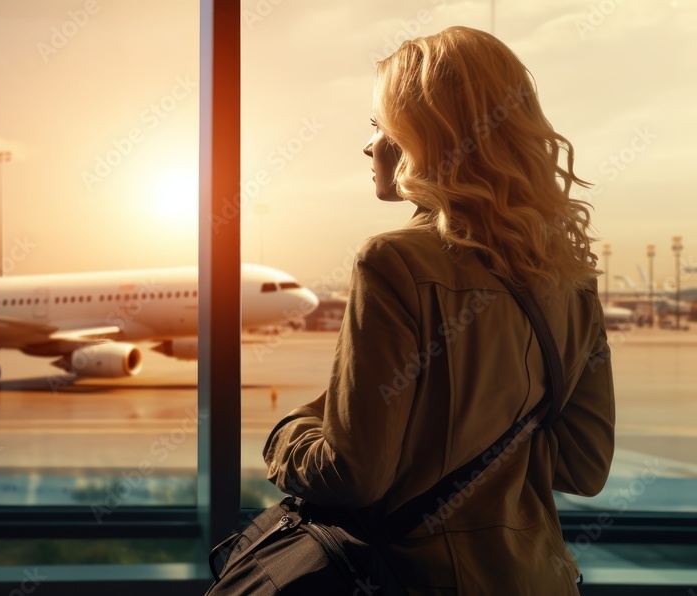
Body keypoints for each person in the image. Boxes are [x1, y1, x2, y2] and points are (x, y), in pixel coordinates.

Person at [262, 26, 615, 595]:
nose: (369, 145)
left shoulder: (393, 261)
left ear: (422, 138)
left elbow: (353, 475)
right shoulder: (571, 277)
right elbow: (586, 467)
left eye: (380, 127)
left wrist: (287, 432)